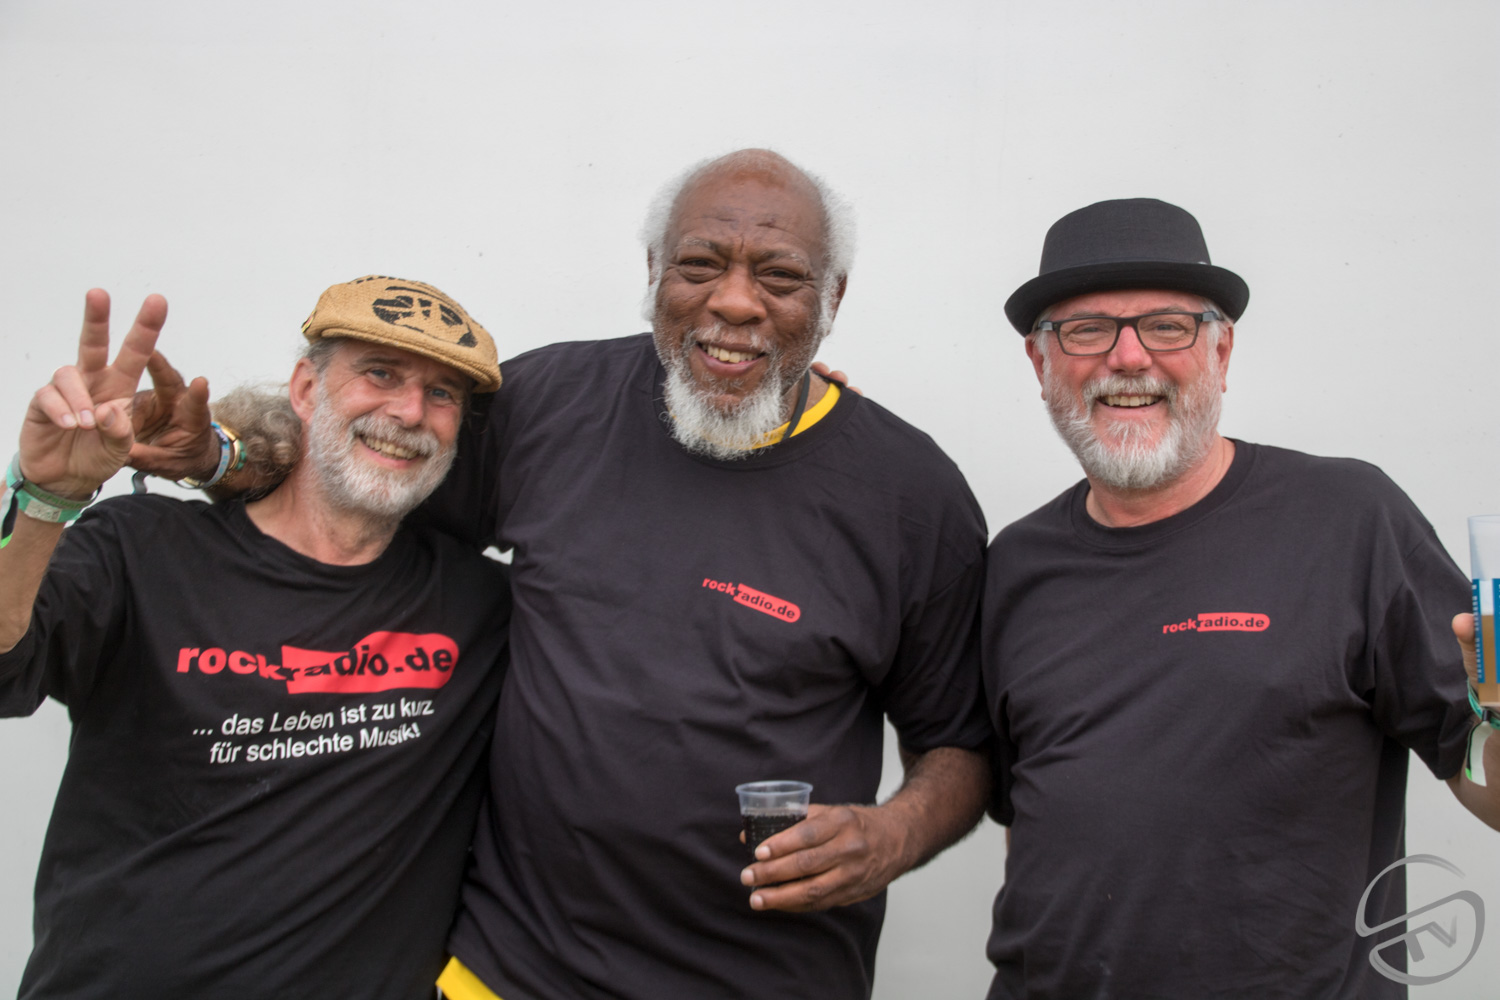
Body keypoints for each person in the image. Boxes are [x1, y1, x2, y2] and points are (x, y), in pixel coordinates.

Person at [136, 150, 993, 1000]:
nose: (735, 301)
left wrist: (892, 836)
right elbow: (367, 468)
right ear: (654, 272)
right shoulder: (552, 404)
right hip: (507, 972)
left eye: (780, 276)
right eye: (700, 265)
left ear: (832, 297)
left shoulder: (911, 498)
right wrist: (221, 453)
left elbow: (959, 743)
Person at [984, 198, 1500, 999]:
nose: (1128, 357)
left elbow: (1479, 771)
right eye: (1086, 330)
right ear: (1039, 362)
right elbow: (1038, 819)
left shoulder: (1349, 519)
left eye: (1168, 327)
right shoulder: (1014, 564)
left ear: (1221, 351)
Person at [0, 276, 512, 999]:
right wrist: (44, 499)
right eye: (380, 373)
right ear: (305, 389)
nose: (409, 412)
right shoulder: (142, 549)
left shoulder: (480, 605)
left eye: (442, 394)